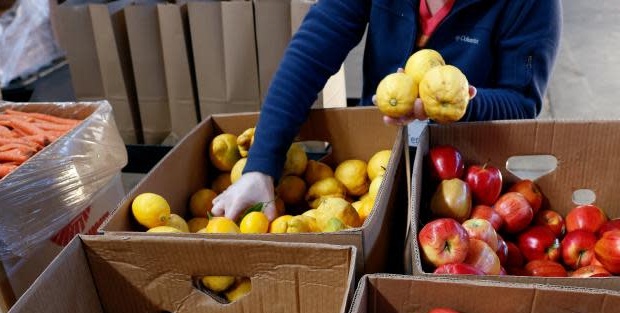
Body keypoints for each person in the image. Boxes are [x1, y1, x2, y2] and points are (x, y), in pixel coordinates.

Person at [212, 0, 563, 221]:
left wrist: (462, 103)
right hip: (376, 163)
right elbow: (310, 55)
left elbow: (521, 101)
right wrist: (260, 166)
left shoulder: (532, 5)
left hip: (471, 181)